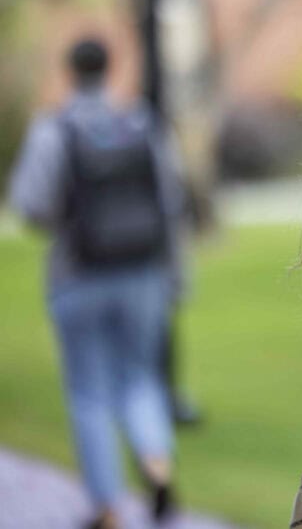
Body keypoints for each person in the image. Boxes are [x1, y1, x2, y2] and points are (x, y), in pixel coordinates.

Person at [8, 37, 182, 529]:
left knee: (89, 390)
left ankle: (107, 508)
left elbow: (32, 205)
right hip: (143, 274)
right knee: (141, 377)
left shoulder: (53, 129)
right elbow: (170, 202)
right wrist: (175, 274)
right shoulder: (143, 124)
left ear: (70, 70)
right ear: (111, 68)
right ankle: (156, 462)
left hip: (78, 273)